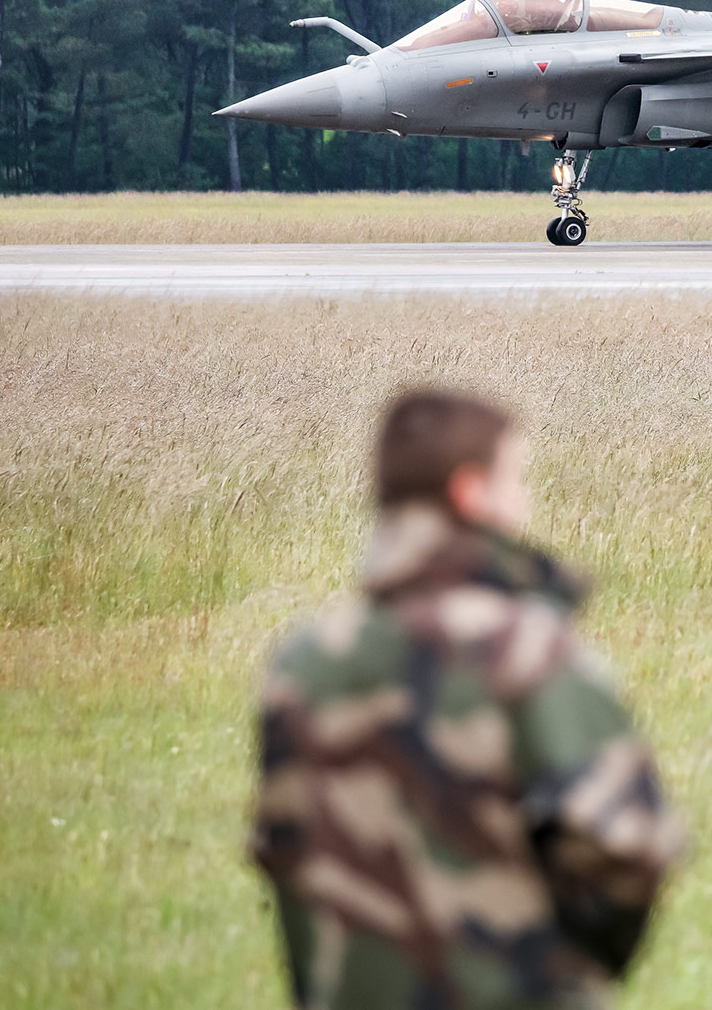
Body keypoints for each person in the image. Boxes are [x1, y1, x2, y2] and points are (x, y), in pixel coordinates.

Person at [250, 388, 684, 1010]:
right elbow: (624, 846)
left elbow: (284, 855)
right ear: (470, 493)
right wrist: (576, 968)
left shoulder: (301, 666)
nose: (523, 502)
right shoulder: (525, 648)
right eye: (515, 480)